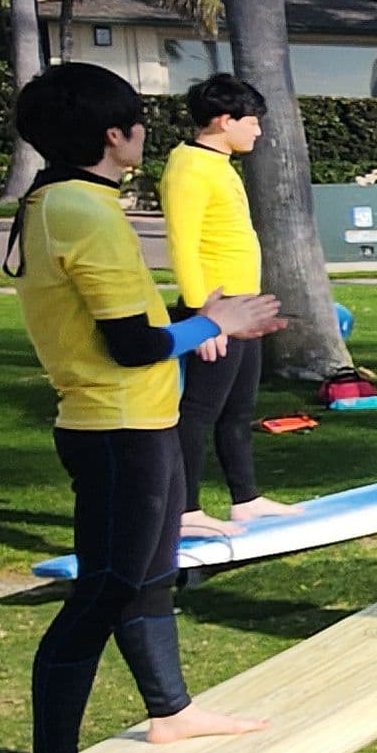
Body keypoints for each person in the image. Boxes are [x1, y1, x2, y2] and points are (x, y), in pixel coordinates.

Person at [6, 63, 285, 753]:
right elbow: (131, 343)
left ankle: (172, 710)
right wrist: (217, 323)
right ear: (112, 135)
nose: (143, 132)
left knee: (149, 575)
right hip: (114, 426)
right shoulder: (82, 211)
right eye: (136, 120)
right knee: (103, 591)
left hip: (143, 422)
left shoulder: (65, 200)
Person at [162, 73, 296, 535]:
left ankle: (247, 499)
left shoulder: (218, 164)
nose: (257, 131)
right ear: (224, 121)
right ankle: (185, 510)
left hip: (244, 305)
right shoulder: (189, 166)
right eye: (252, 122)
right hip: (216, 310)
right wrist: (204, 317)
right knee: (199, 412)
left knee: (239, 409)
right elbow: (182, 243)